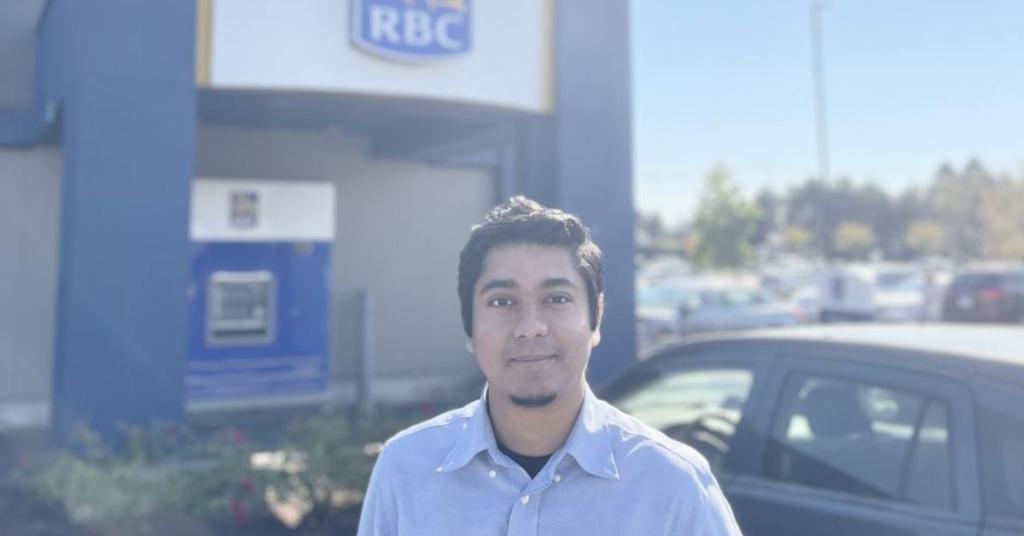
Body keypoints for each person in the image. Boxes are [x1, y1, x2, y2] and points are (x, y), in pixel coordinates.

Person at [357, 196, 742, 535]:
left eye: (556, 298)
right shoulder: (405, 469)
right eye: (502, 301)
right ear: (469, 328)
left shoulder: (672, 483)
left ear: (597, 318)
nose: (529, 328)